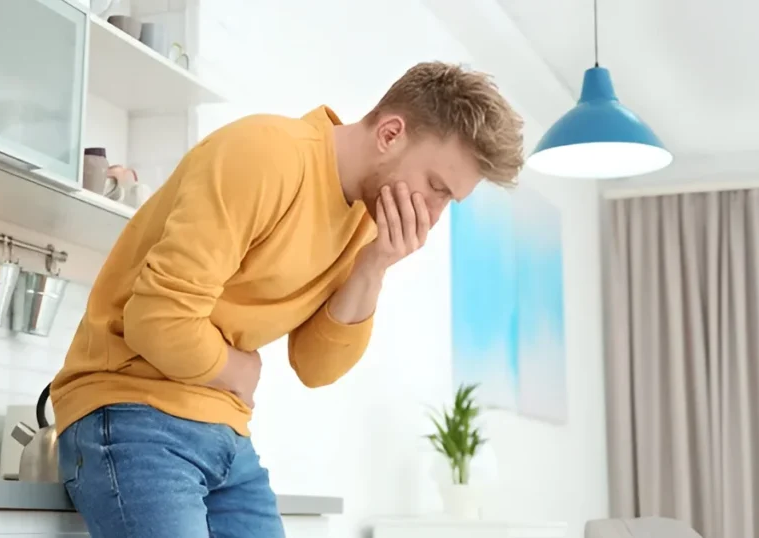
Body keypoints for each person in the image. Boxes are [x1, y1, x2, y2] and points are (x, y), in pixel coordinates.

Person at [49, 61, 525, 538]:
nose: (433, 215)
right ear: (390, 134)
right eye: (436, 187)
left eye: (447, 200)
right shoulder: (264, 155)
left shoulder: (365, 220)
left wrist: (374, 265)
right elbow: (156, 318)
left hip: (226, 432)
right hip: (129, 412)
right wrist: (237, 369)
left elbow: (316, 367)